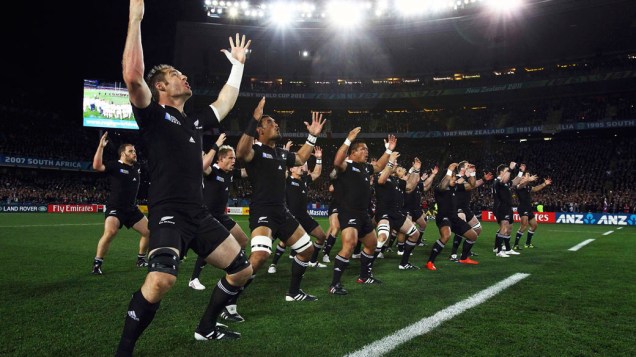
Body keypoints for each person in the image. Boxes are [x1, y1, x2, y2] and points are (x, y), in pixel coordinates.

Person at [117, 1, 253, 353]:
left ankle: (206, 328)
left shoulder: (193, 121)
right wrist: (136, 18)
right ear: (161, 87)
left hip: (199, 215)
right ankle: (124, 351)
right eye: (177, 74)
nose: (185, 77)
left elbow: (226, 101)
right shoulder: (153, 114)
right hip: (169, 214)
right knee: (161, 279)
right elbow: (133, 76)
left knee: (241, 270)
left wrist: (237, 67)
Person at [236, 97, 326, 302]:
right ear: (259, 130)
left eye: (277, 124)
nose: (276, 126)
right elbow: (241, 152)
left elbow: (302, 158)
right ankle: (229, 299)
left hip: (282, 212)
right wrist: (254, 119)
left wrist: (312, 137)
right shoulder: (255, 151)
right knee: (259, 257)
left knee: (307, 250)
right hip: (263, 211)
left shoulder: (281, 153)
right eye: (270, 123)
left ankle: (293, 293)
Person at [187, 136, 251, 323]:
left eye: (234, 158)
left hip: (221, 215)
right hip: (208, 216)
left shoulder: (231, 173)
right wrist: (212, 147)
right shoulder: (212, 171)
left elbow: (248, 173)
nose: (233, 161)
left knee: (243, 240)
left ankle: (234, 266)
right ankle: (194, 279)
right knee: (210, 246)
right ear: (220, 159)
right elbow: (201, 166)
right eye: (230, 158)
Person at [328, 127, 396, 295]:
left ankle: (364, 276)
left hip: (363, 214)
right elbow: (337, 161)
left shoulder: (365, 168)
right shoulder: (346, 165)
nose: (366, 152)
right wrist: (348, 140)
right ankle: (334, 284)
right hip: (348, 213)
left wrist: (388, 150)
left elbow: (379, 166)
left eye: (367, 149)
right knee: (349, 245)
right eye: (363, 149)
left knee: (372, 244)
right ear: (353, 153)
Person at [91, 131, 150, 275]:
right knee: (110, 232)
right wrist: (101, 147)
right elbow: (97, 167)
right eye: (131, 151)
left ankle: (141, 259)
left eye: (134, 151)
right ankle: (97, 264)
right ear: (123, 154)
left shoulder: (137, 167)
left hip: (131, 209)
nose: (134, 153)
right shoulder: (115, 166)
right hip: (115, 208)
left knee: (149, 232)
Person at [268, 146, 328, 273]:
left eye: (301, 165)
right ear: (291, 169)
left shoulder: (304, 180)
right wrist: (284, 154)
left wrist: (319, 159)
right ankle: (273, 264)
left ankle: (312, 261)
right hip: (291, 216)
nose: (301, 167)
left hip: (304, 216)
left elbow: (316, 173)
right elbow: (280, 171)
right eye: (298, 166)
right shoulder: (287, 180)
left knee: (322, 236)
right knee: (284, 242)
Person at [424, 162, 481, 271]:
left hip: (454, 218)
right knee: (446, 236)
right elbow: (443, 184)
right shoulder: (439, 188)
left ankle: (464, 258)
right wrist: (450, 171)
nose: (454, 180)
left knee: (473, 236)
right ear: (446, 177)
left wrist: (473, 173)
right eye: (452, 177)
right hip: (443, 217)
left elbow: (472, 185)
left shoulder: (455, 187)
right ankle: (430, 261)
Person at [374, 158, 422, 270]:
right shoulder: (380, 176)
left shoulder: (397, 180)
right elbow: (381, 181)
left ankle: (404, 263)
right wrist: (390, 162)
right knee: (382, 237)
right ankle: (367, 266)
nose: (396, 164)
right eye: (394, 163)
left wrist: (416, 170)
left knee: (415, 234)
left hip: (397, 214)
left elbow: (410, 186)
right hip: (384, 213)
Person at [449, 161, 493, 261]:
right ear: (462, 168)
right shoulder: (455, 177)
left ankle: (467, 249)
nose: (469, 166)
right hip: (457, 208)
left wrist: (482, 179)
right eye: (467, 165)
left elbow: (473, 184)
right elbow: (471, 185)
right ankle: (453, 253)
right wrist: (471, 175)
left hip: (466, 208)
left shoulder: (467, 178)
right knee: (461, 229)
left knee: (478, 229)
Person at [492, 162, 525, 257]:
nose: (509, 173)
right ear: (501, 172)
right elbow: (504, 179)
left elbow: (514, 182)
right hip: (501, 207)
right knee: (504, 227)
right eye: (506, 171)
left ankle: (507, 249)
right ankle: (498, 251)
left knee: (509, 229)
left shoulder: (505, 183)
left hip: (508, 207)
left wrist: (520, 172)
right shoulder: (497, 181)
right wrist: (510, 169)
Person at [513, 170, 552, 249]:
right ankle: (515, 245)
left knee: (534, 226)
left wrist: (544, 184)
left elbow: (535, 189)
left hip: (528, 208)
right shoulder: (518, 186)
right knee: (524, 226)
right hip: (523, 208)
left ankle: (527, 244)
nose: (528, 177)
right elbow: (522, 185)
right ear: (522, 178)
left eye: (528, 176)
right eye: (526, 176)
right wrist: (528, 179)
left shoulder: (527, 186)